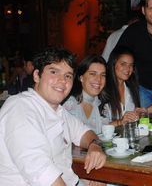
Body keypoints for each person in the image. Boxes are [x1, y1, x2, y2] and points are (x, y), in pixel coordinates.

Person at [0, 47, 106, 185]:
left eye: (68, 76)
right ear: (37, 75)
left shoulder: (59, 112)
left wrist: (95, 146)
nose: (62, 81)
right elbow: (42, 174)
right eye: (54, 72)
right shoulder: (20, 108)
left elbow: (86, 133)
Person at [63, 55, 107, 134]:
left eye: (103, 75)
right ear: (81, 78)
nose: (99, 79)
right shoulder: (68, 105)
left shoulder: (103, 106)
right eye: (93, 74)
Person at [102, 46, 140, 126]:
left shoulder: (132, 88)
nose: (128, 68)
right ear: (113, 64)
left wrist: (139, 115)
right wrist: (120, 122)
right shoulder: (102, 89)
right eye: (123, 64)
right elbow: (98, 127)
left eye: (131, 65)